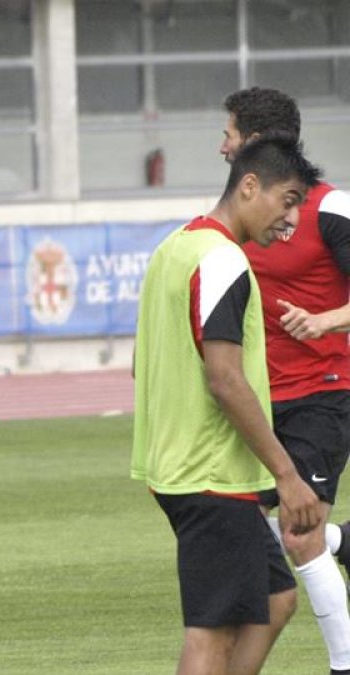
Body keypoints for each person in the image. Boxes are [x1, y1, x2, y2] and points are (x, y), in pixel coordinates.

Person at [132, 133, 323, 675]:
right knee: (212, 633)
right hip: (209, 473)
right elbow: (225, 380)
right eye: (286, 201)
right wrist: (287, 476)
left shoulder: (174, 248)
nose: (288, 221)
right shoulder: (223, 261)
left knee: (274, 600)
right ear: (249, 185)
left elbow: (138, 360)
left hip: (186, 467)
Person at [221, 86, 350, 674]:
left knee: (298, 535)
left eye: (229, 133)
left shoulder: (329, 210)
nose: (221, 145)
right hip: (257, 400)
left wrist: (326, 320)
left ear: (255, 141)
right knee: (247, 536)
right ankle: (342, 544)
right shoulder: (235, 219)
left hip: (323, 392)